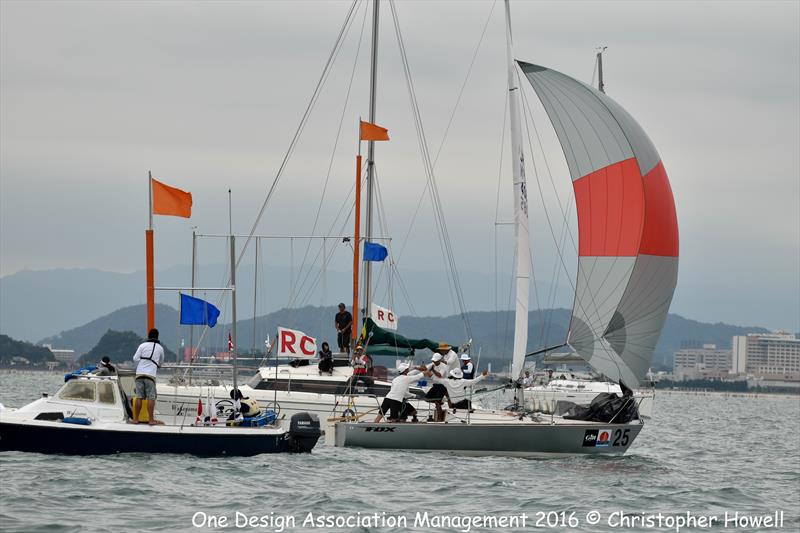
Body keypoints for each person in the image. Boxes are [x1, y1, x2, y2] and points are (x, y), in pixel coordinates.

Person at [130, 328, 164, 425]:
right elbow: (161, 362)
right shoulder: (160, 348)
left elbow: (135, 358)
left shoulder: (142, 345)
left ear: (148, 336)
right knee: (151, 397)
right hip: (150, 375)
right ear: (157, 336)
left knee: (139, 397)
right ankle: (151, 420)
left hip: (139, 374)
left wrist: (143, 360)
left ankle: (135, 419)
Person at [425, 353, 449, 421]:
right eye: (433, 361)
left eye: (435, 361)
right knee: (427, 398)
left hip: (442, 385)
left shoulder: (444, 366)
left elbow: (439, 375)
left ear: (439, 360)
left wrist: (432, 370)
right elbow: (425, 369)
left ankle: (440, 418)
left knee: (437, 402)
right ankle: (440, 402)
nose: (434, 362)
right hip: (435, 385)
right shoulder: (432, 365)